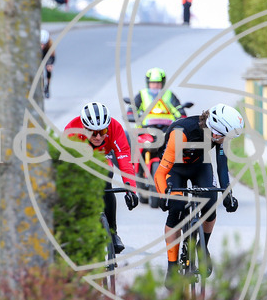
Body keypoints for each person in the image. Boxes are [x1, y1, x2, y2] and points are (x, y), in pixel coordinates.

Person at [154, 103, 243, 287]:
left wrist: (228, 195)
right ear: (216, 130)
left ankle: (203, 249)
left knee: (210, 204)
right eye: (226, 136)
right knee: (176, 208)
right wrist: (163, 196)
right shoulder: (182, 133)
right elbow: (160, 173)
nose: (228, 139)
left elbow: (222, 168)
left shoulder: (219, 136)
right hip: (175, 168)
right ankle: (172, 266)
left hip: (199, 164)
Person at [64, 101, 139, 253]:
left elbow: (124, 161)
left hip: (104, 157)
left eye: (102, 131)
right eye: (93, 132)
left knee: (106, 180)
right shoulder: (72, 130)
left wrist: (131, 190)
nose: (98, 136)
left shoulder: (115, 128)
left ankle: (112, 233)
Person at [41, 29, 55, 98]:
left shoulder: (50, 43)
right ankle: (42, 87)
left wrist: (50, 64)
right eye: (41, 44)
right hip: (39, 54)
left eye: (44, 44)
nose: (42, 46)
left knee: (49, 69)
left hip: (48, 54)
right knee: (40, 72)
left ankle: (48, 87)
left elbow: (52, 56)